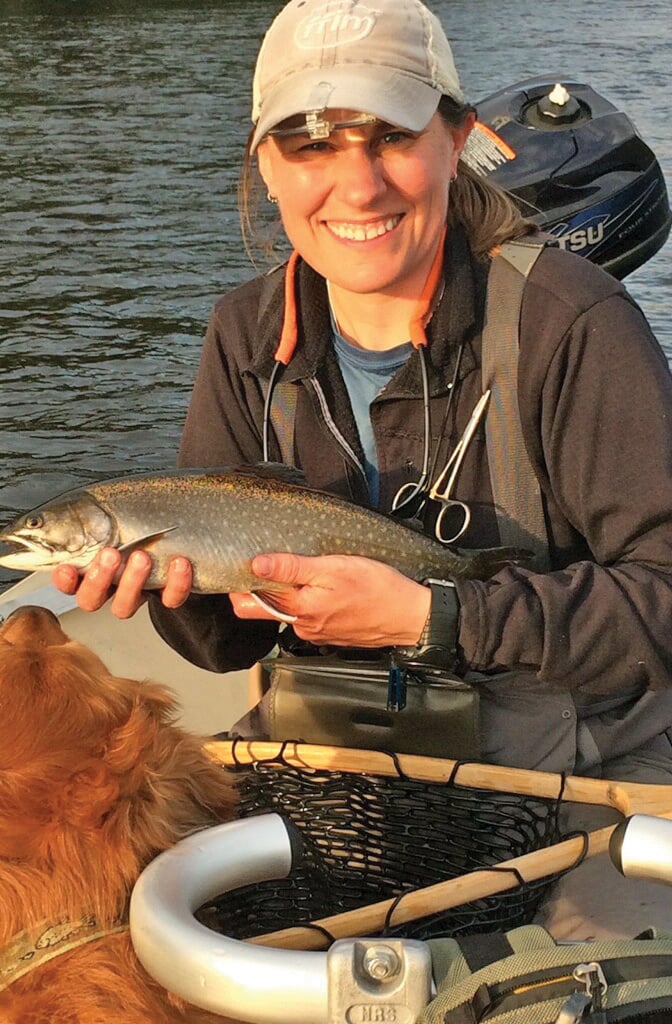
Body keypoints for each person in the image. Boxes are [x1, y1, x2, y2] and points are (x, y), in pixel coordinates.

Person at [53, 0, 672, 939]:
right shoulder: (245, 336)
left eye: (390, 135)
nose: (357, 183)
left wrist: (439, 617)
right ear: (265, 163)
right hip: (332, 759)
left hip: (573, 773)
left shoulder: (572, 325)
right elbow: (231, 652)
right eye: (309, 143)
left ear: (456, 139)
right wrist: (170, 593)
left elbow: (663, 602)